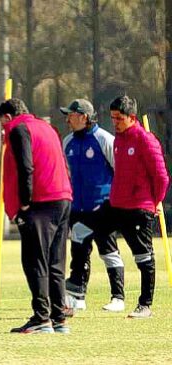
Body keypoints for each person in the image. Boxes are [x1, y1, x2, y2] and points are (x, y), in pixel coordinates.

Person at [0, 98, 73, 334]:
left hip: (41, 202)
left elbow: (25, 167)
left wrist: (24, 203)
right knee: (55, 261)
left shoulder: (19, 129)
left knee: (34, 260)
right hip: (62, 197)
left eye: (2, 125)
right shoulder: (47, 127)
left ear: (8, 117)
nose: (3, 130)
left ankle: (42, 317)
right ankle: (58, 317)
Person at [94, 95, 169, 319]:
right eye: (112, 118)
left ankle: (145, 305)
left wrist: (154, 203)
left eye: (119, 118)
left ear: (132, 118)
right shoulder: (118, 140)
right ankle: (115, 294)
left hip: (139, 207)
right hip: (117, 204)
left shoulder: (146, 140)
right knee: (96, 230)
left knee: (143, 256)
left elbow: (161, 177)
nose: (115, 122)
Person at [59, 99, 125, 313]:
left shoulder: (104, 139)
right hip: (77, 208)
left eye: (71, 115)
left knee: (108, 251)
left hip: (103, 207)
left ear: (84, 117)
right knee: (79, 250)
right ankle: (78, 296)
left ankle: (118, 297)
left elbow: (120, 171)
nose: (67, 119)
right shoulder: (67, 141)